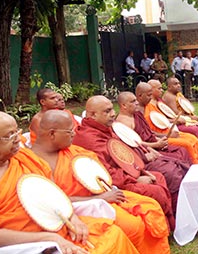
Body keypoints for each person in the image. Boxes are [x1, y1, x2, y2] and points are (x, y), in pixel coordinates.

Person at [0, 111, 138, 254]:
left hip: (59, 225)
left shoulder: (26, 158)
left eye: (16, 132)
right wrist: (49, 238)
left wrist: (73, 218)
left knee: (113, 234)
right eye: (8, 136)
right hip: (28, 242)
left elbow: (56, 195)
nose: (17, 139)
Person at [28, 110, 171, 253]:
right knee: (134, 226)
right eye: (69, 131)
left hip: (104, 194)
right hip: (83, 206)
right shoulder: (34, 163)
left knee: (150, 206)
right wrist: (100, 198)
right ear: (52, 134)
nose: (74, 134)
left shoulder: (73, 151)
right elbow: (55, 202)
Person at [72, 95, 176, 230]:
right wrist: (136, 179)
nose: (113, 114)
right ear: (93, 115)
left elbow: (124, 154)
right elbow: (106, 172)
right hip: (115, 184)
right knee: (156, 191)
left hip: (128, 173)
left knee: (159, 177)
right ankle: (161, 229)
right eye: (107, 111)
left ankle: (166, 226)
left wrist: (141, 171)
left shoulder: (104, 128)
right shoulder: (90, 138)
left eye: (112, 109)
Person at [115, 91, 192, 212]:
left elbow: (146, 134)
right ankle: (178, 208)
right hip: (142, 156)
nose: (136, 103)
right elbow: (134, 143)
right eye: (133, 101)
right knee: (172, 170)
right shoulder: (121, 122)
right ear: (123, 105)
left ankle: (189, 193)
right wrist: (155, 145)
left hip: (150, 148)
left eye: (136, 100)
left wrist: (158, 140)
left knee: (181, 151)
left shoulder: (137, 115)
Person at [139, 81, 198, 163]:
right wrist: (165, 135)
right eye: (159, 88)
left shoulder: (158, 102)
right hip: (161, 136)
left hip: (167, 130)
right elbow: (148, 132)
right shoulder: (141, 110)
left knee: (193, 138)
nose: (162, 90)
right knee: (188, 143)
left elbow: (164, 117)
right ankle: (195, 165)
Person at [162, 77, 198, 142]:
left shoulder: (177, 94)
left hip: (182, 117)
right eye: (175, 84)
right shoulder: (169, 96)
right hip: (175, 120)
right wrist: (190, 117)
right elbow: (176, 113)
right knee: (195, 127)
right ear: (169, 87)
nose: (178, 85)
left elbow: (186, 105)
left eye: (179, 83)